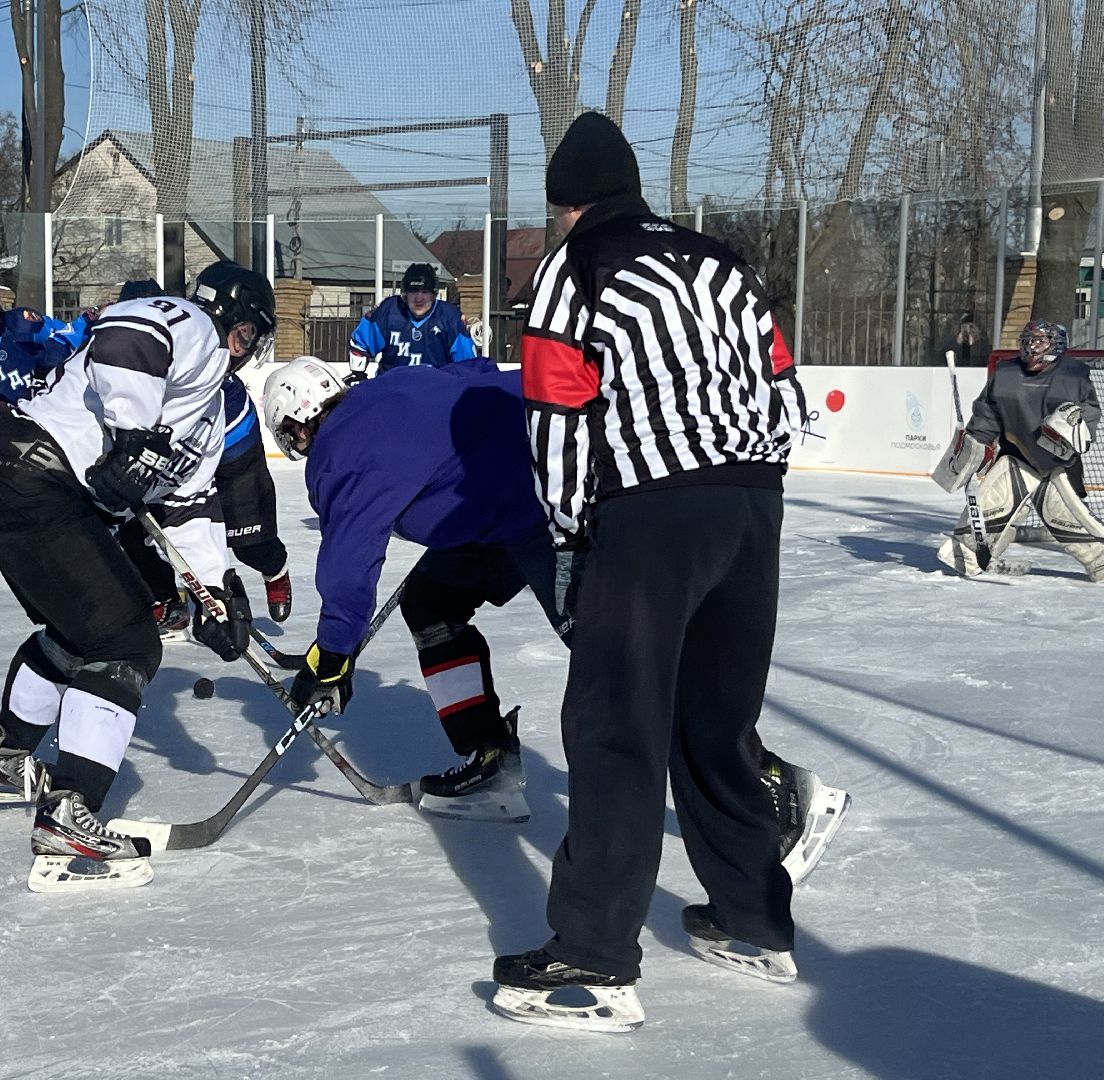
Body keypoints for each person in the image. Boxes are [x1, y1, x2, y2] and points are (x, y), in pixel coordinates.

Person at [489, 112, 811, 1032]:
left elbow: (554, 410)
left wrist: (568, 533)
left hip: (651, 510)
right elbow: (783, 384)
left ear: (567, 204)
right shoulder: (720, 261)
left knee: (615, 724)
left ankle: (590, 961)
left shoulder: (576, 264)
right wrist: (750, 475)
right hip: (752, 503)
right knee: (717, 721)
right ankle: (752, 921)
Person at [263, 354, 843, 855]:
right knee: (433, 602)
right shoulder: (387, 386)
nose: (297, 449)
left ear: (299, 422)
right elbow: (479, 374)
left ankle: (771, 789)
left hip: (556, 512)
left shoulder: (339, 450)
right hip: (517, 503)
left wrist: (333, 657)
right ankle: (487, 759)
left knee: (624, 666)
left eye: (290, 437)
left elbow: (348, 563)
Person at [0, 260, 275, 892]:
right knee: (127, 641)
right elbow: (123, 337)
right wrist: (130, 434)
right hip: (34, 476)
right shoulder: (194, 326)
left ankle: (3, 759)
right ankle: (71, 813)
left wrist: (212, 590)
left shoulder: (206, 409)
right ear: (232, 320)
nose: (242, 352)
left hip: (7, 482)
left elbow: (184, 503)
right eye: (246, 336)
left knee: (77, 633)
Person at [112, 278, 295, 626]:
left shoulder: (207, 364)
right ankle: (169, 598)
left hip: (232, 456)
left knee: (250, 543)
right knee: (137, 533)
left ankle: (275, 569)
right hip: (175, 461)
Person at [934, 319, 1103, 580]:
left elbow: (1089, 414)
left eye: (1041, 341)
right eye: (1028, 341)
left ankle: (1100, 560)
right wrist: (974, 448)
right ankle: (967, 553)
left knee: (1067, 520)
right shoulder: (1006, 374)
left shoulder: (1073, 375)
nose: (1033, 347)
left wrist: (1078, 431)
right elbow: (986, 414)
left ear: (1056, 345)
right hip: (1018, 456)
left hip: (1059, 463)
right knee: (991, 504)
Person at [0, 280, 93, 430]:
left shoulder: (21, 321)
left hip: (54, 405)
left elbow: (66, 335)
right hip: (15, 419)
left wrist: (89, 319)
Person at [346, 262, 477, 382]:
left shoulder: (450, 318)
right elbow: (361, 345)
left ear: (434, 293)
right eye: (413, 291)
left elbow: (467, 365)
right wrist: (358, 375)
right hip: (392, 392)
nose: (419, 298)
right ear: (405, 292)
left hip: (436, 393)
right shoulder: (389, 311)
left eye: (425, 292)